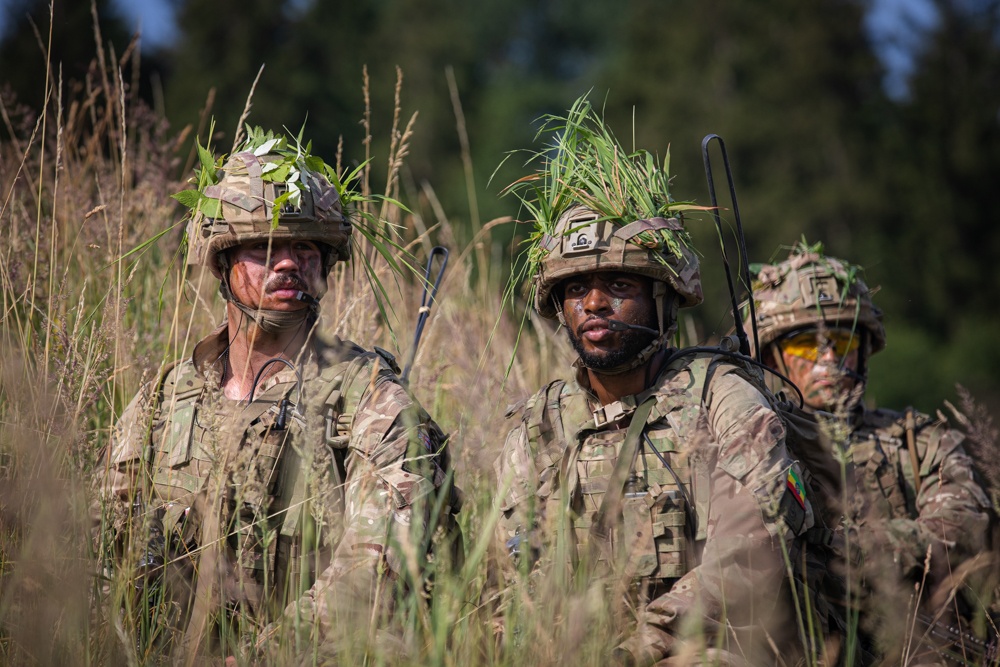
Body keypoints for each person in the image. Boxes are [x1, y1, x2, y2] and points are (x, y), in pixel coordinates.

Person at [95, 129, 459, 661]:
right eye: (265, 248)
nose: (288, 263)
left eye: (305, 247)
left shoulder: (372, 403)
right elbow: (105, 549)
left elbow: (374, 571)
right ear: (221, 262)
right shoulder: (163, 401)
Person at [493, 98, 817, 666]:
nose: (594, 304)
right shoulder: (534, 429)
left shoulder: (722, 397)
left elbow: (748, 557)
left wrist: (634, 648)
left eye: (618, 284)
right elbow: (512, 580)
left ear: (661, 299)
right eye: (575, 290)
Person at [747, 241, 991, 662]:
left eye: (842, 343)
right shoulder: (750, 446)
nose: (828, 359)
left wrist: (841, 550)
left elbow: (963, 528)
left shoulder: (916, 439)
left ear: (863, 351)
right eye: (807, 345)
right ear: (770, 357)